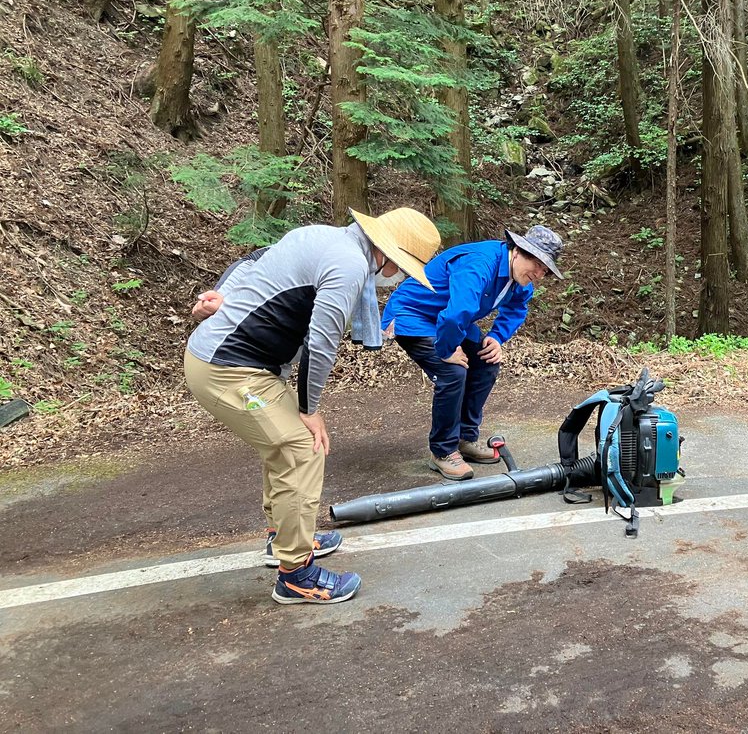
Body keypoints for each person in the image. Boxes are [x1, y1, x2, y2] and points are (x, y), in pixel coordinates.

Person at [185, 207, 441, 604]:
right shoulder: (349, 266)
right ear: (390, 257)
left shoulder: (324, 235)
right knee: (301, 449)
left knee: (284, 446)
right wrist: (310, 408)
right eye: (406, 268)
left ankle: (284, 538)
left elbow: (252, 259)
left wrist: (225, 294)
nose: (401, 276)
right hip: (229, 370)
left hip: (242, 365)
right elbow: (321, 343)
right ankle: (296, 575)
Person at [383, 225, 564, 481]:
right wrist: (446, 350)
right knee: (452, 371)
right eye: (537, 264)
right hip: (413, 314)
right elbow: (458, 312)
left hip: (450, 319)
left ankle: (464, 438)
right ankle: (443, 451)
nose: (539, 273)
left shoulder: (520, 278)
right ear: (518, 251)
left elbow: (516, 309)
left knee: (486, 362)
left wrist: (496, 337)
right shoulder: (480, 264)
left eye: (545, 270)